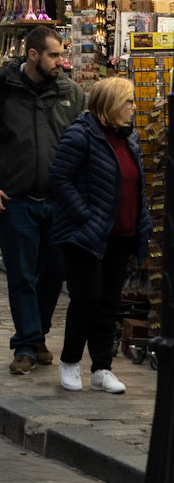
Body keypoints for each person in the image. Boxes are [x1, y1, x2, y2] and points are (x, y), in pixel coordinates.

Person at [0, 20, 86, 375]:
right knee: (21, 276)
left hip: (59, 202)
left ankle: (37, 335)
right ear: (32, 55)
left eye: (62, 55)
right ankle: (27, 345)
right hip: (15, 200)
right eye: (54, 55)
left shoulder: (71, 94)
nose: (61, 62)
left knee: (54, 274)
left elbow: (84, 145)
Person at [47, 74, 150, 395]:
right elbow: (60, 178)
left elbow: (135, 186)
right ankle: (70, 360)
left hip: (120, 234)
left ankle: (102, 368)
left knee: (109, 302)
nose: (134, 107)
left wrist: (141, 223)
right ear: (111, 104)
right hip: (85, 235)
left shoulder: (129, 138)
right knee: (86, 298)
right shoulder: (81, 134)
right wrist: (84, 215)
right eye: (128, 101)